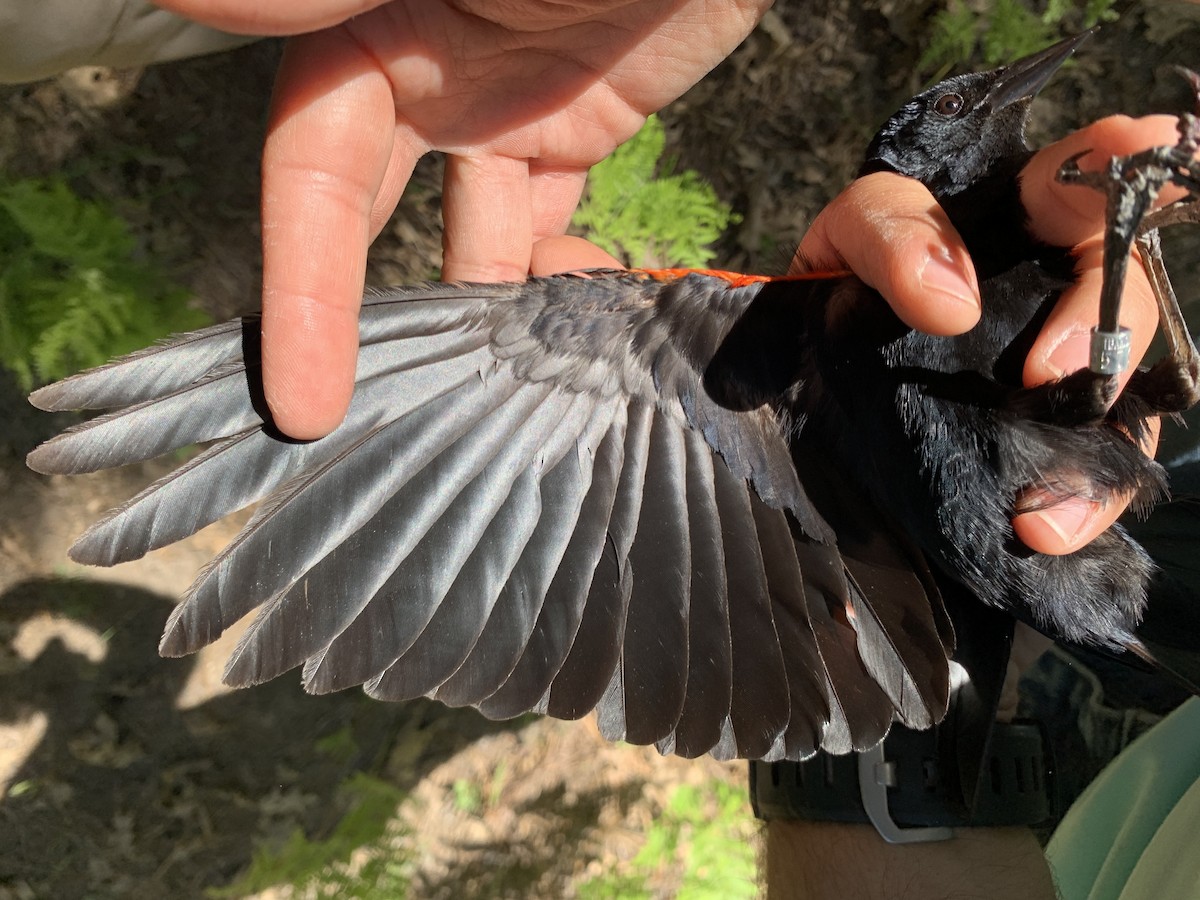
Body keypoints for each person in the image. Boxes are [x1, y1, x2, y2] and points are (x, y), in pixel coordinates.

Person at [5, 2, 1195, 896]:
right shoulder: (785, 333)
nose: (999, 101)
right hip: (1066, 600)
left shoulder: (799, 320)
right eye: (964, 108)